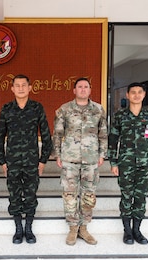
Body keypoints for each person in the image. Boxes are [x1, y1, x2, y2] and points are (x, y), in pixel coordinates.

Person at [0, 74, 53, 244]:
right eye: (17, 85)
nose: (20, 88)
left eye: (24, 85)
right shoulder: (7, 109)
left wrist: (43, 160)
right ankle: (18, 229)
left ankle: (28, 228)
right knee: (14, 195)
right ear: (12, 89)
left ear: (29, 88)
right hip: (12, 161)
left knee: (30, 195)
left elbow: (46, 135)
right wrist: (2, 161)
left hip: (31, 161)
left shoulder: (36, 108)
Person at [52, 77, 108, 246]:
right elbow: (57, 134)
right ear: (74, 90)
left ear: (90, 90)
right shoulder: (65, 109)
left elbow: (103, 134)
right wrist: (58, 155)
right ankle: (73, 228)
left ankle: (84, 228)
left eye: (86, 87)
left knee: (88, 195)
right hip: (70, 159)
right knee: (70, 195)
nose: (83, 89)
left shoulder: (98, 109)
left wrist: (102, 154)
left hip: (91, 159)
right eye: (80, 87)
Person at [107, 82, 148, 245]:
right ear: (127, 95)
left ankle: (137, 230)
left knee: (140, 197)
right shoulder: (120, 116)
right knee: (126, 197)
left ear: (144, 95)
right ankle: (127, 231)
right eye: (133, 92)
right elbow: (113, 140)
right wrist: (113, 162)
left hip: (145, 164)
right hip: (126, 163)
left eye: (139, 92)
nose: (136, 95)